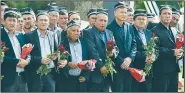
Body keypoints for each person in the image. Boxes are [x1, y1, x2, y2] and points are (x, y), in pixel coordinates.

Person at [151, 5, 183, 92]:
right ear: (159, 16)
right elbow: (155, 49)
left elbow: (177, 47)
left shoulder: (173, 30)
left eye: (169, 14)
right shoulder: (154, 30)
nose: (167, 15)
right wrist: (172, 52)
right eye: (165, 13)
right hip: (161, 71)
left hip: (174, 70)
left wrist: (180, 53)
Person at [84, 8, 116, 92]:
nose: (103, 23)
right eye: (101, 20)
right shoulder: (88, 32)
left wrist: (113, 53)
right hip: (95, 73)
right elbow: (92, 51)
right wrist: (101, 65)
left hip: (108, 72)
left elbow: (115, 48)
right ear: (95, 20)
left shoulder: (110, 33)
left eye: (105, 21)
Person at [24, 12, 58, 92]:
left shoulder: (52, 35)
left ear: (49, 22)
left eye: (45, 20)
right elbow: (25, 56)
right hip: (35, 74)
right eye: (41, 20)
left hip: (50, 73)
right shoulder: (29, 36)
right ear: (36, 22)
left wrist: (55, 56)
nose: (43, 22)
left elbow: (56, 51)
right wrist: (40, 60)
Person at [107, 2, 137, 92]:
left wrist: (130, 58)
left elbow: (134, 44)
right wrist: (122, 61)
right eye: (121, 12)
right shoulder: (109, 28)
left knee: (128, 89)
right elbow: (110, 48)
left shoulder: (130, 27)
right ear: (115, 13)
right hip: (117, 66)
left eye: (125, 12)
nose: (124, 14)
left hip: (129, 65)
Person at [1, 8, 30, 92]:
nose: (12, 23)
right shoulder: (1, 35)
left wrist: (27, 61)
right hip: (8, 79)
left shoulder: (20, 36)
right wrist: (17, 61)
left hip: (23, 77)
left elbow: (27, 52)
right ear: (4, 21)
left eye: (14, 20)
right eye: (10, 20)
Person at [131, 9, 156, 92]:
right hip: (134, 69)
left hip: (148, 70)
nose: (142, 21)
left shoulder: (149, 33)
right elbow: (129, 50)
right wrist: (144, 56)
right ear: (133, 20)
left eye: (143, 19)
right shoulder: (129, 32)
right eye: (139, 19)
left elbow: (155, 48)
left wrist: (153, 56)